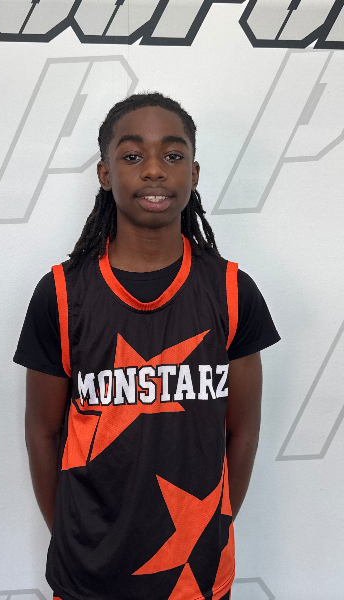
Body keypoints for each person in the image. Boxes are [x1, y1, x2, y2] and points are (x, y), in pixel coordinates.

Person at [14, 92, 280, 600]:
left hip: (195, 575)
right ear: (105, 173)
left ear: (194, 174)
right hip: (87, 577)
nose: (154, 170)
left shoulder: (231, 291)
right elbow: (42, 433)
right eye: (133, 155)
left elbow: (242, 433)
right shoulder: (62, 294)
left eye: (173, 155)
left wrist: (208, 528)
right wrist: (73, 540)